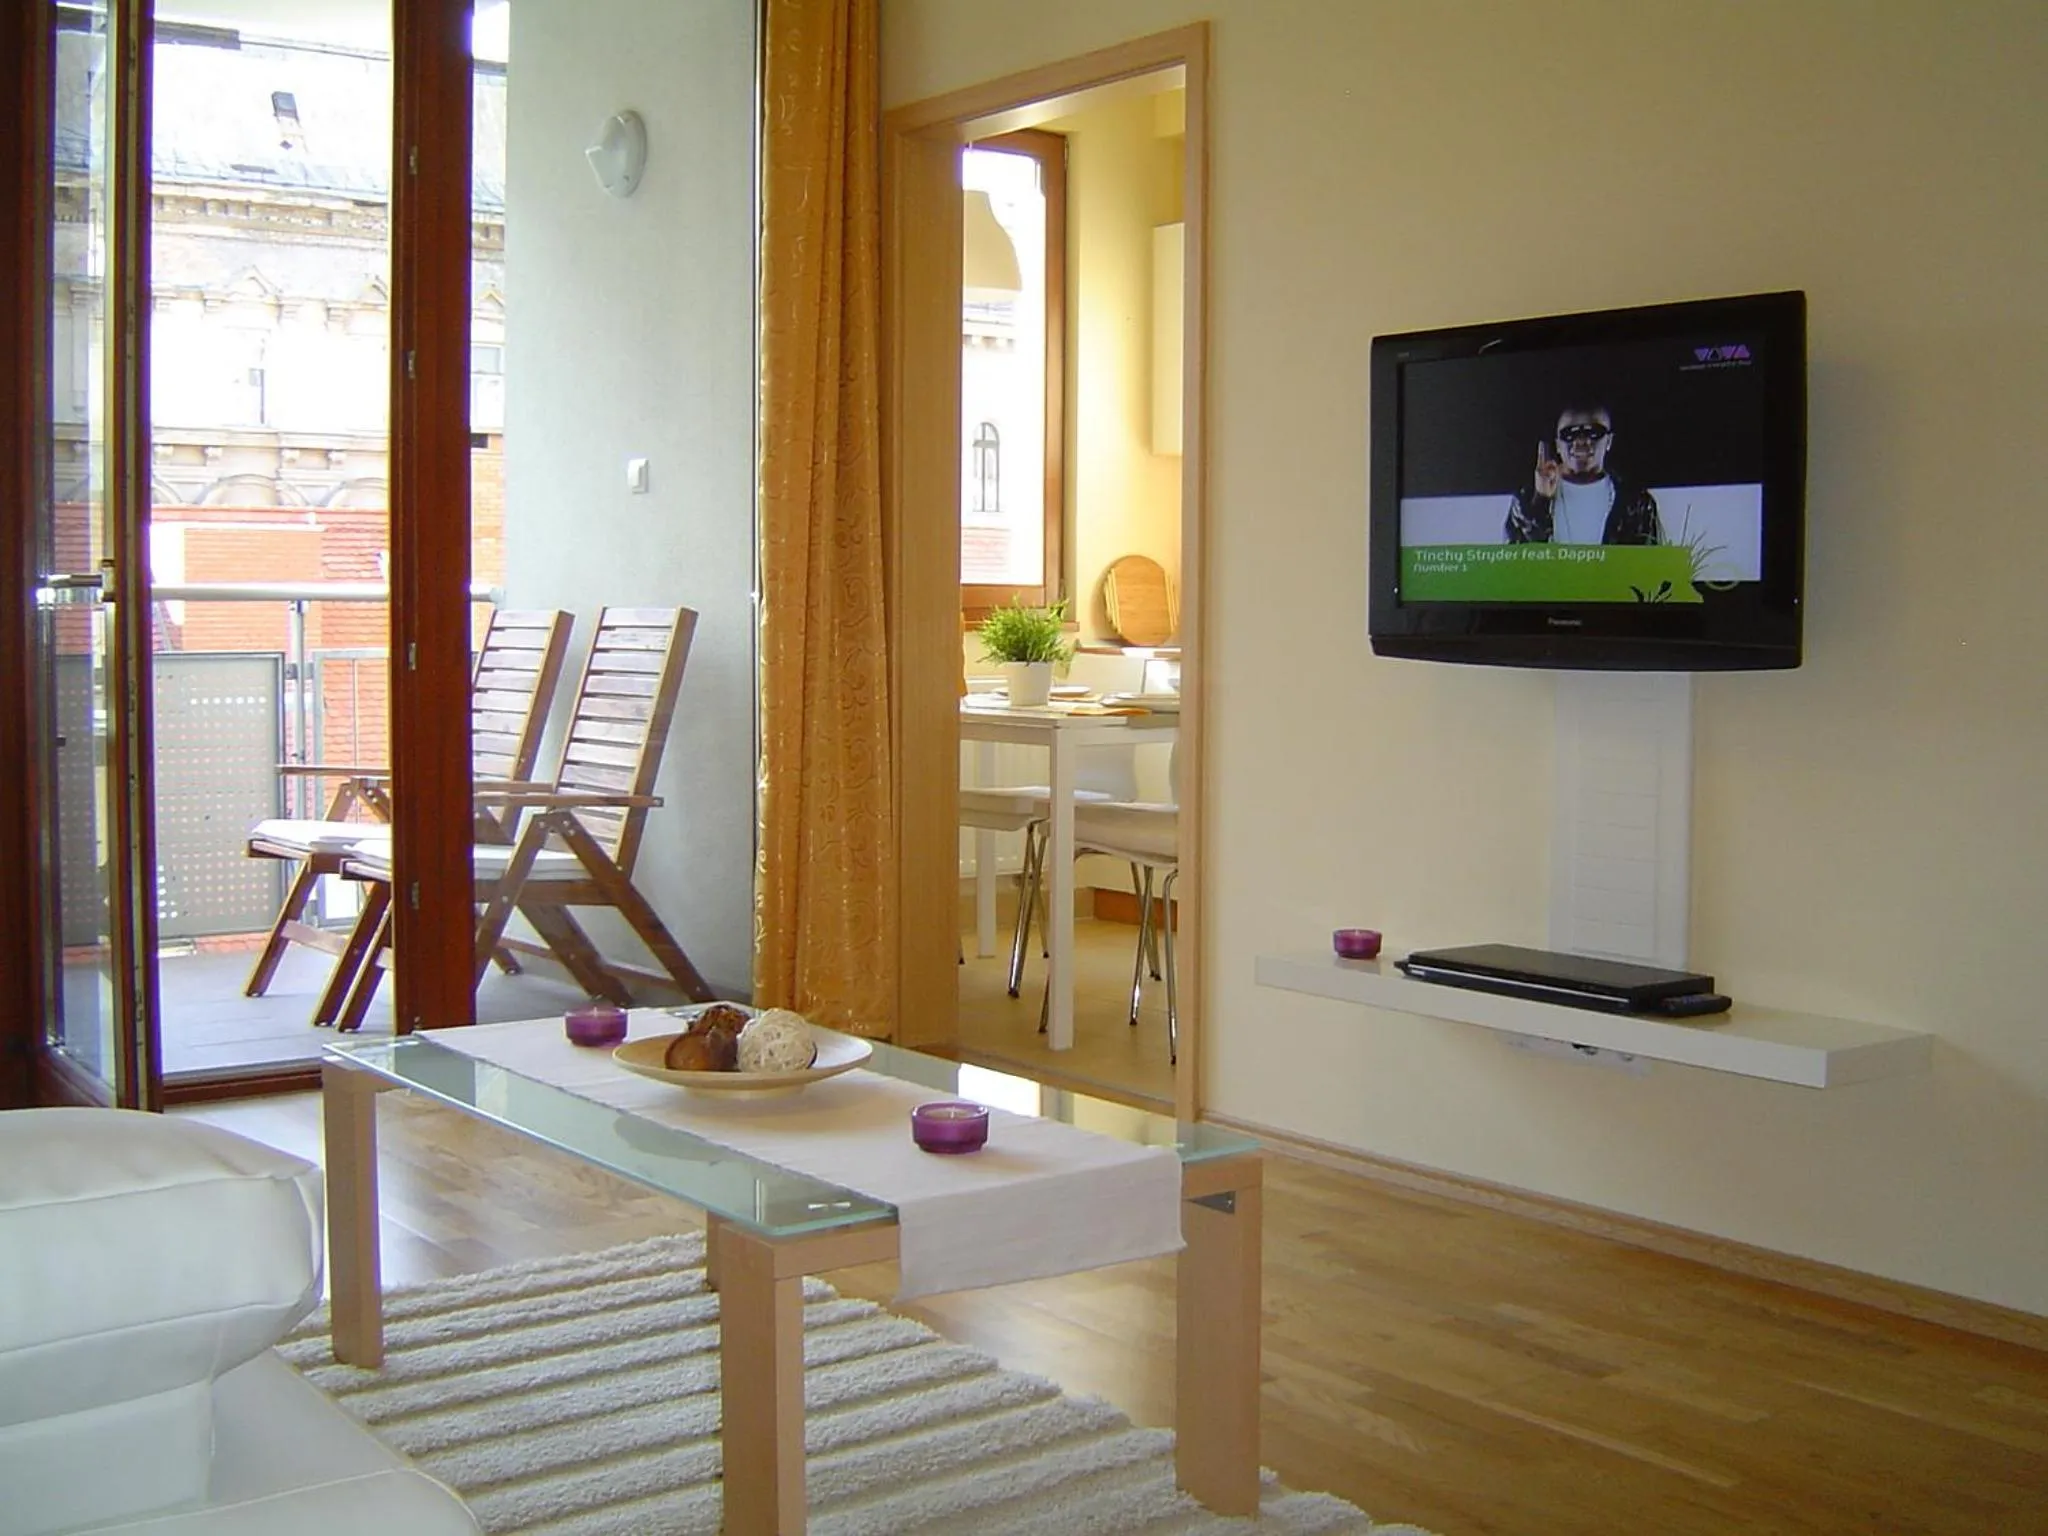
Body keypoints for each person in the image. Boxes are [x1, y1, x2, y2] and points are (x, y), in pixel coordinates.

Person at [1503, 405, 1663, 544]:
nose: (1581, 442)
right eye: (1569, 434)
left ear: (1609, 441)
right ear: (1558, 444)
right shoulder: (1527, 499)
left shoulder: (1637, 502)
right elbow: (1514, 563)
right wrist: (1540, 500)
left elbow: (1651, 564)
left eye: (1593, 432)